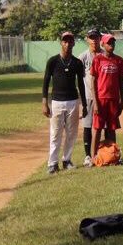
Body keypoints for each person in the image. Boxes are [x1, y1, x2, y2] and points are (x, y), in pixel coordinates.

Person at [43, 32, 86, 174]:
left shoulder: (77, 63)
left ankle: (67, 160)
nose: (67, 44)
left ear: (74, 43)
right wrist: (45, 103)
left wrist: (84, 105)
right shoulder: (53, 61)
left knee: (71, 133)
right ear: (61, 43)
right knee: (55, 134)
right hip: (56, 102)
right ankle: (52, 163)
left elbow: (81, 84)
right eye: (65, 41)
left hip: (73, 102)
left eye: (70, 41)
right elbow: (45, 83)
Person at [89, 34, 123, 165]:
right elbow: (93, 81)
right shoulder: (98, 60)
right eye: (108, 42)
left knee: (111, 129)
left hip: (114, 100)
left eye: (113, 42)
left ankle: (113, 156)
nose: (111, 44)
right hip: (101, 99)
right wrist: (95, 102)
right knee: (97, 129)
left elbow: (122, 81)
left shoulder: (119, 60)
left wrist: (122, 99)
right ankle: (93, 158)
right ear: (102, 45)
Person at [79, 28, 102, 167]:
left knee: (102, 126)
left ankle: (102, 152)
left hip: (103, 96)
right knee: (87, 125)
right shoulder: (83, 57)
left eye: (96, 37)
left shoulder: (104, 54)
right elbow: (79, 77)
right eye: (91, 37)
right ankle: (88, 155)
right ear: (87, 39)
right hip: (88, 96)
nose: (94, 39)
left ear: (100, 38)